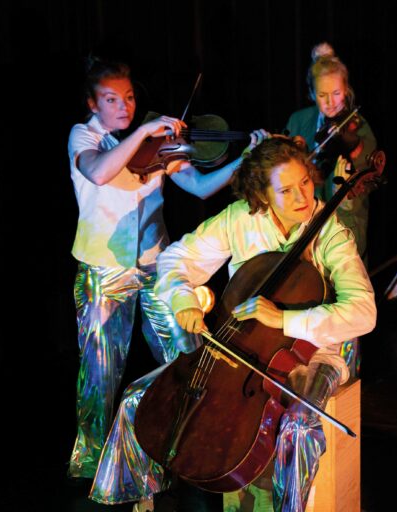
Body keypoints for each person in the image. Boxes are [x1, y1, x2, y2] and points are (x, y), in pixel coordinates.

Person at [88, 136, 376, 511]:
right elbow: (176, 259)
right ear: (262, 194)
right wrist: (183, 299)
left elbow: (363, 312)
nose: (302, 197)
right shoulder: (241, 218)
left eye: (305, 182)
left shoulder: (331, 233)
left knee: (299, 427)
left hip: (315, 351)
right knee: (137, 397)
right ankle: (139, 499)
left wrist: (284, 319)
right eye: (285, 190)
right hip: (237, 344)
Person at [67, 56, 267, 482]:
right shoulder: (85, 136)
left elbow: (200, 186)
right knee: (101, 371)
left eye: (129, 98)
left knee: (182, 351)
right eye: (111, 99)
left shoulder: (158, 143)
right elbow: (99, 174)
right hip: (104, 269)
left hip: (156, 262)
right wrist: (144, 132)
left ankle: (181, 444)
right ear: (93, 104)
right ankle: (92, 461)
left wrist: (245, 157)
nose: (124, 106)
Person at [285, 42, 377, 261]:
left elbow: (363, 181)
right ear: (311, 93)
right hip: (302, 230)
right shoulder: (297, 121)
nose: (330, 102)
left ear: (346, 90)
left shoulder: (358, 128)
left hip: (344, 229)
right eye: (322, 95)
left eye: (336, 93)